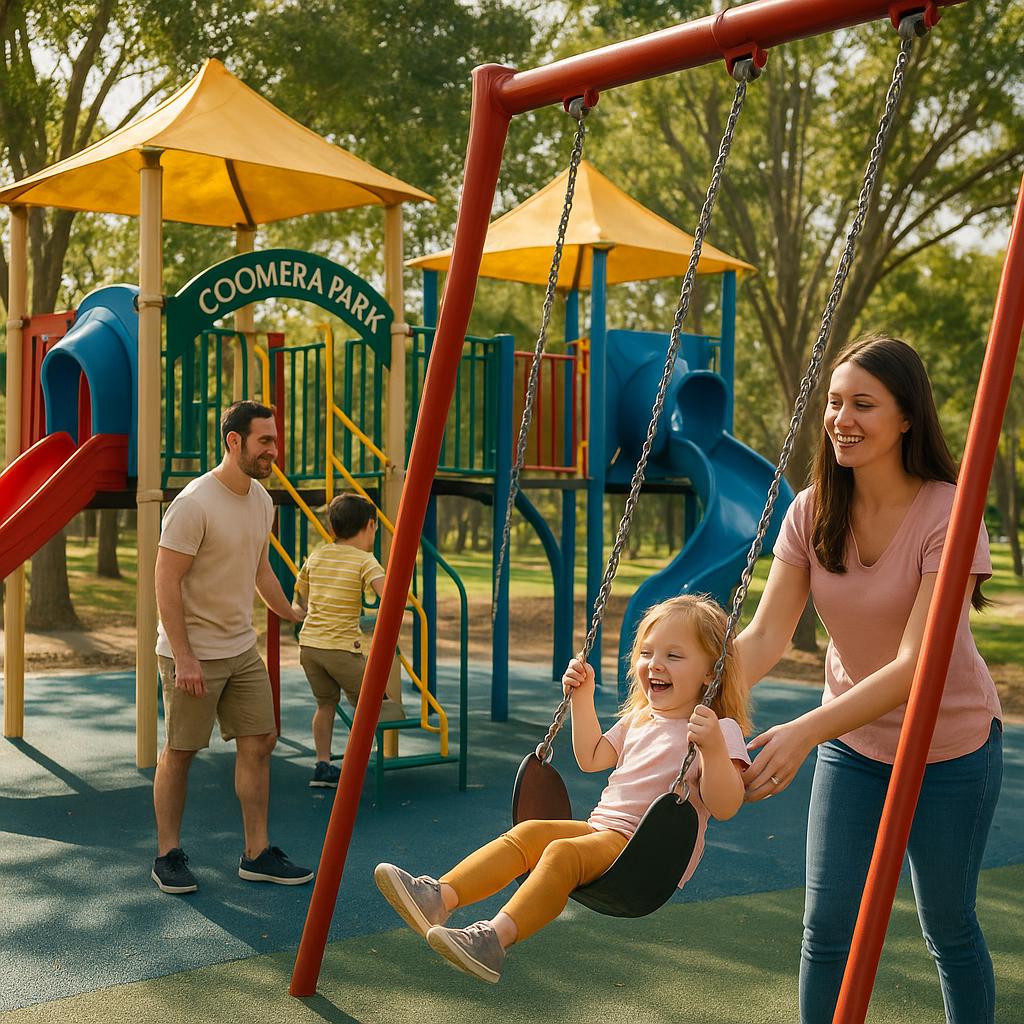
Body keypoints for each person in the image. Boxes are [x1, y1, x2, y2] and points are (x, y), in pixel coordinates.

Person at [737, 335, 1003, 1024]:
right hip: (853, 746)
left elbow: (917, 667)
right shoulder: (812, 507)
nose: (841, 419)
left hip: (952, 747)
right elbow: (765, 637)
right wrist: (677, 697)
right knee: (826, 928)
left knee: (947, 925)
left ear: (907, 417)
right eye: (833, 403)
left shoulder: (949, 511)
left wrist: (799, 732)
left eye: (863, 404)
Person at [374, 594, 752, 983]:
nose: (654, 664)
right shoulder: (640, 719)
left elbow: (725, 805)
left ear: (712, 671)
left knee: (560, 853)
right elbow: (591, 756)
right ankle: (440, 898)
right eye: (646, 653)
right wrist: (583, 699)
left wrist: (712, 749)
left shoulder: (718, 730)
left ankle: (492, 941)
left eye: (674, 656)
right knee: (531, 832)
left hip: (642, 853)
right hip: (601, 831)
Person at [151, 400, 313, 895]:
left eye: (275, 439)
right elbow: (166, 580)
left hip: (240, 649)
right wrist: (184, 656)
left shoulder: (262, 499)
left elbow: (259, 567)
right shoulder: (195, 502)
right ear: (234, 441)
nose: (273, 450)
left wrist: (288, 611)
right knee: (180, 753)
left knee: (260, 741)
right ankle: (167, 855)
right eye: (264, 441)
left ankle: (257, 853)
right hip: (192, 650)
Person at [294, 492, 406, 789]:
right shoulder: (365, 560)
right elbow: (389, 596)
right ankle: (360, 760)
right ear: (370, 525)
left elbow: (302, 596)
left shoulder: (317, 556)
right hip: (340, 648)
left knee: (325, 704)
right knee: (371, 703)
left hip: (309, 646)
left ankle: (322, 764)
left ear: (332, 529)